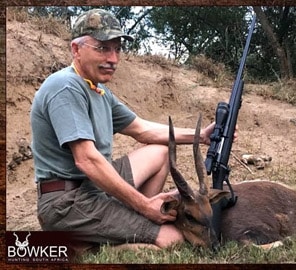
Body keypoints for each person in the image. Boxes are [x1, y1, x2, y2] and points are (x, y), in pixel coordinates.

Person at [30, 9, 217, 250]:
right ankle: (91, 244)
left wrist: (200, 136)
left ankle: (129, 225)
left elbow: (142, 130)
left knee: (159, 152)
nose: (113, 59)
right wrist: (144, 205)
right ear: (76, 50)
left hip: (92, 188)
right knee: (173, 239)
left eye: (117, 49)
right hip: (67, 202)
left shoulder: (98, 90)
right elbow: (87, 160)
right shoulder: (65, 87)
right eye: (102, 48)